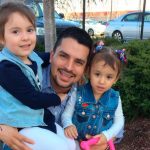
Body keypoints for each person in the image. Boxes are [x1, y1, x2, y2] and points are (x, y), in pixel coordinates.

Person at [0, 2, 76, 150]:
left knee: (71, 143)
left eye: (29, 30)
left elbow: (50, 57)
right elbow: (32, 99)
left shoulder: (30, 56)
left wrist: (65, 56)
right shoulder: (6, 67)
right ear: (2, 38)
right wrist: (56, 98)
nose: (25, 37)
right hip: (20, 125)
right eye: (16, 32)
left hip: (36, 118)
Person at [61, 46, 126, 149]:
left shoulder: (115, 98)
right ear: (88, 72)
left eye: (109, 77)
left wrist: (107, 135)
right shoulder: (78, 93)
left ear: (116, 79)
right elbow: (66, 114)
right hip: (77, 143)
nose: (102, 81)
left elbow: (119, 121)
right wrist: (68, 124)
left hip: (100, 144)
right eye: (97, 74)